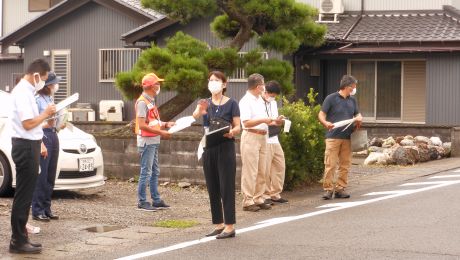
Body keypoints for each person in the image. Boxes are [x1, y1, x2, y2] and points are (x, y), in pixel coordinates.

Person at [9, 59, 55, 254]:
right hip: (25, 146)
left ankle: (21, 238)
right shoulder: (22, 93)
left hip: (30, 144)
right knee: (23, 195)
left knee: (26, 195)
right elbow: (27, 123)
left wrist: (40, 140)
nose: (43, 83)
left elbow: (31, 125)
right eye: (43, 79)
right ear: (36, 76)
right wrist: (45, 113)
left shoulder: (28, 92)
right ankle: (18, 241)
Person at [192, 71, 241, 239]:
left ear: (224, 84)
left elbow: (238, 126)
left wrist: (232, 132)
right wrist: (200, 109)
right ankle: (218, 224)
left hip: (225, 145)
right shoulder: (205, 102)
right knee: (212, 186)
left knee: (226, 186)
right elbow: (195, 116)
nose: (213, 83)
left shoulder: (232, 103)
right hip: (208, 146)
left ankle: (230, 226)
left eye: (217, 80)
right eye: (211, 80)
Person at [239, 73, 282, 212]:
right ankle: (248, 200)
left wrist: (276, 121)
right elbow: (246, 122)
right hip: (251, 135)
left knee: (262, 170)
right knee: (250, 170)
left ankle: (258, 197)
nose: (264, 87)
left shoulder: (259, 100)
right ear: (258, 86)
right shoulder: (245, 101)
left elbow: (267, 119)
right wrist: (264, 120)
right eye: (263, 84)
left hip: (264, 135)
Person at [318, 75, 363, 200]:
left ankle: (340, 188)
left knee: (345, 164)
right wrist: (325, 123)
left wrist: (359, 118)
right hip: (333, 136)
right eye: (353, 87)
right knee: (330, 164)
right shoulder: (331, 98)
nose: (354, 89)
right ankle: (328, 189)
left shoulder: (352, 100)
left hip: (348, 136)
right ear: (347, 87)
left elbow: (357, 113)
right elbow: (321, 114)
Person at [135, 72, 175, 211]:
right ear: (152, 86)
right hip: (147, 141)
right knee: (146, 172)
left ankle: (156, 199)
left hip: (152, 141)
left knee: (154, 171)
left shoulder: (150, 101)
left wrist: (165, 124)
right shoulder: (142, 102)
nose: (159, 86)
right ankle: (142, 201)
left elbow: (152, 122)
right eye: (157, 83)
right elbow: (142, 125)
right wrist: (161, 132)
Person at [31, 72, 61, 222]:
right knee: (41, 176)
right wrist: (41, 143)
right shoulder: (37, 100)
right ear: (48, 86)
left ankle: (46, 208)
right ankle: (37, 210)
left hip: (53, 134)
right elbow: (33, 124)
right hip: (43, 135)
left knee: (50, 174)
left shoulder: (50, 98)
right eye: (54, 83)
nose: (56, 86)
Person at [261, 81, 288, 205]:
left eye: (275, 96)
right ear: (266, 92)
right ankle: (265, 195)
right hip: (264, 138)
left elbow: (274, 120)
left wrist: (279, 120)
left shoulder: (273, 103)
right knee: (265, 169)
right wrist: (273, 121)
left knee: (280, 165)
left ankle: (275, 193)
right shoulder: (258, 102)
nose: (273, 97)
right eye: (272, 95)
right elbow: (261, 121)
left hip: (274, 137)